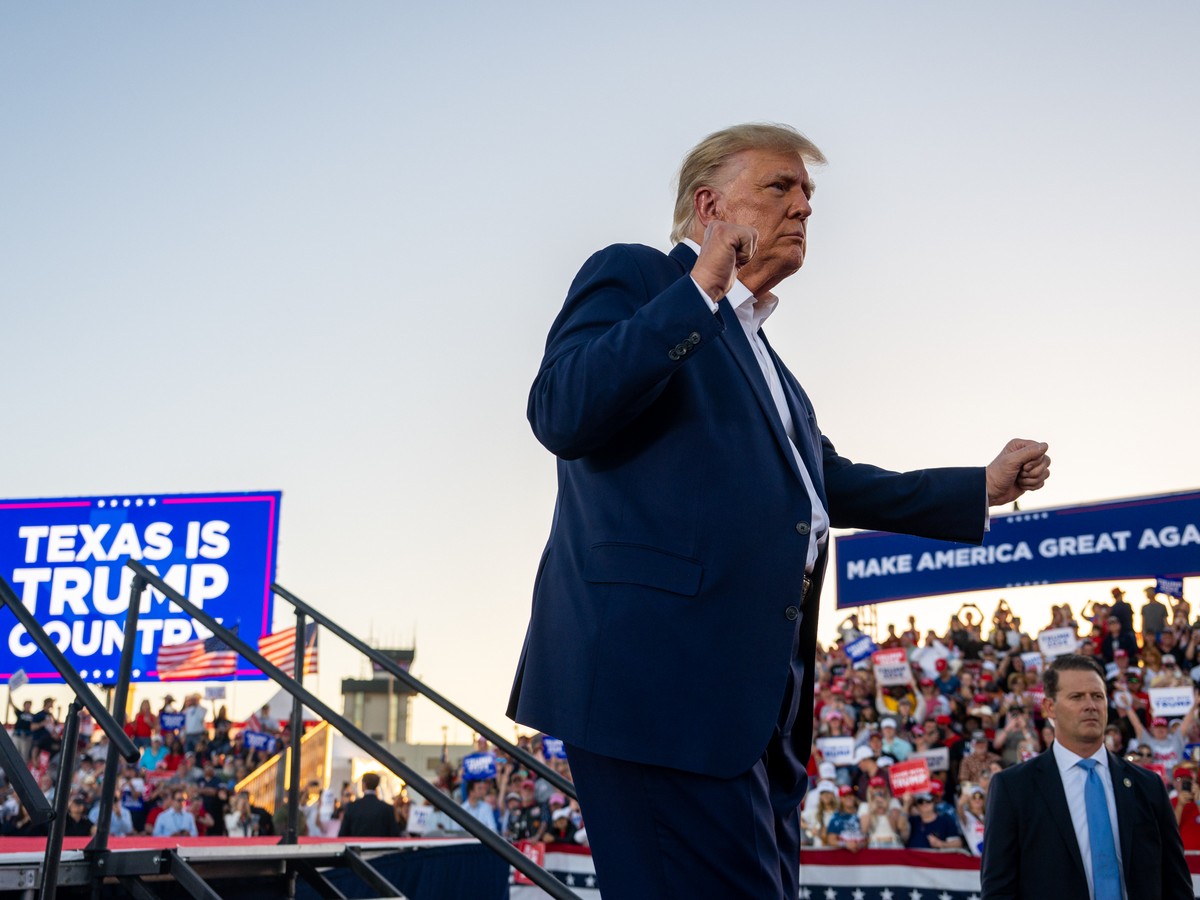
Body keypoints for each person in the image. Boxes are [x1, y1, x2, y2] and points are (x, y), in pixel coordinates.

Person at [507, 122, 1051, 900]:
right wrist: (698, 290)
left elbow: (824, 481)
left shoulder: (771, 364)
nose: (802, 206)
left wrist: (980, 486)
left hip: (755, 706)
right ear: (708, 203)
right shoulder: (635, 277)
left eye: (808, 195)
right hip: (660, 685)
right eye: (780, 187)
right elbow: (562, 411)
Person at [980, 654, 1190, 899]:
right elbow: (998, 891)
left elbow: (1176, 884)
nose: (1091, 705)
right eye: (1077, 697)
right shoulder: (1013, 788)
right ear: (1049, 707)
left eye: (1097, 696)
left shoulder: (1148, 785)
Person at [338, 772, 400, 837]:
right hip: (380, 846)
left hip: (357, 846)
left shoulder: (352, 807)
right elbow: (395, 833)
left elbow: (343, 834)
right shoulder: (387, 808)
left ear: (364, 785)